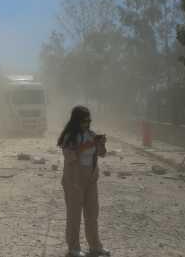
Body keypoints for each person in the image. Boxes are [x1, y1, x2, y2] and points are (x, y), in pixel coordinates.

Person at [58, 105, 110, 257]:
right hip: (74, 179)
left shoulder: (91, 134)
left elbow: (102, 154)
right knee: (74, 215)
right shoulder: (69, 137)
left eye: (89, 121)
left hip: (91, 178)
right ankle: (73, 248)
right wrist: (85, 146)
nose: (86, 123)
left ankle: (95, 246)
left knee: (92, 214)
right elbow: (70, 157)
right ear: (76, 121)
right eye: (83, 121)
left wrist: (101, 144)